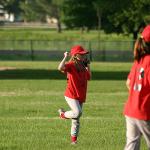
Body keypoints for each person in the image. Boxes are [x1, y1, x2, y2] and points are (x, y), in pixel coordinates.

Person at [57, 45, 91, 144]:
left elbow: (89, 77)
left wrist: (88, 65)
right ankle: (63, 115)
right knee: (77, 113)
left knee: (76, 119)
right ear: (76, 55)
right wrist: (65, 57)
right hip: (71, 94)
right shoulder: (71, 65)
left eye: (84, 54)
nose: (84, 56)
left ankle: (74, 141)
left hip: (80, 95)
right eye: (82, 54)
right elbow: (60, 68)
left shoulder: (83, 66)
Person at [124, 25, 150, 150]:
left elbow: (128, 83)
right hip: (145, 111)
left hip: (131, 110)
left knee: (131, 146)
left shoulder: (139, 59)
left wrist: (137, 96)